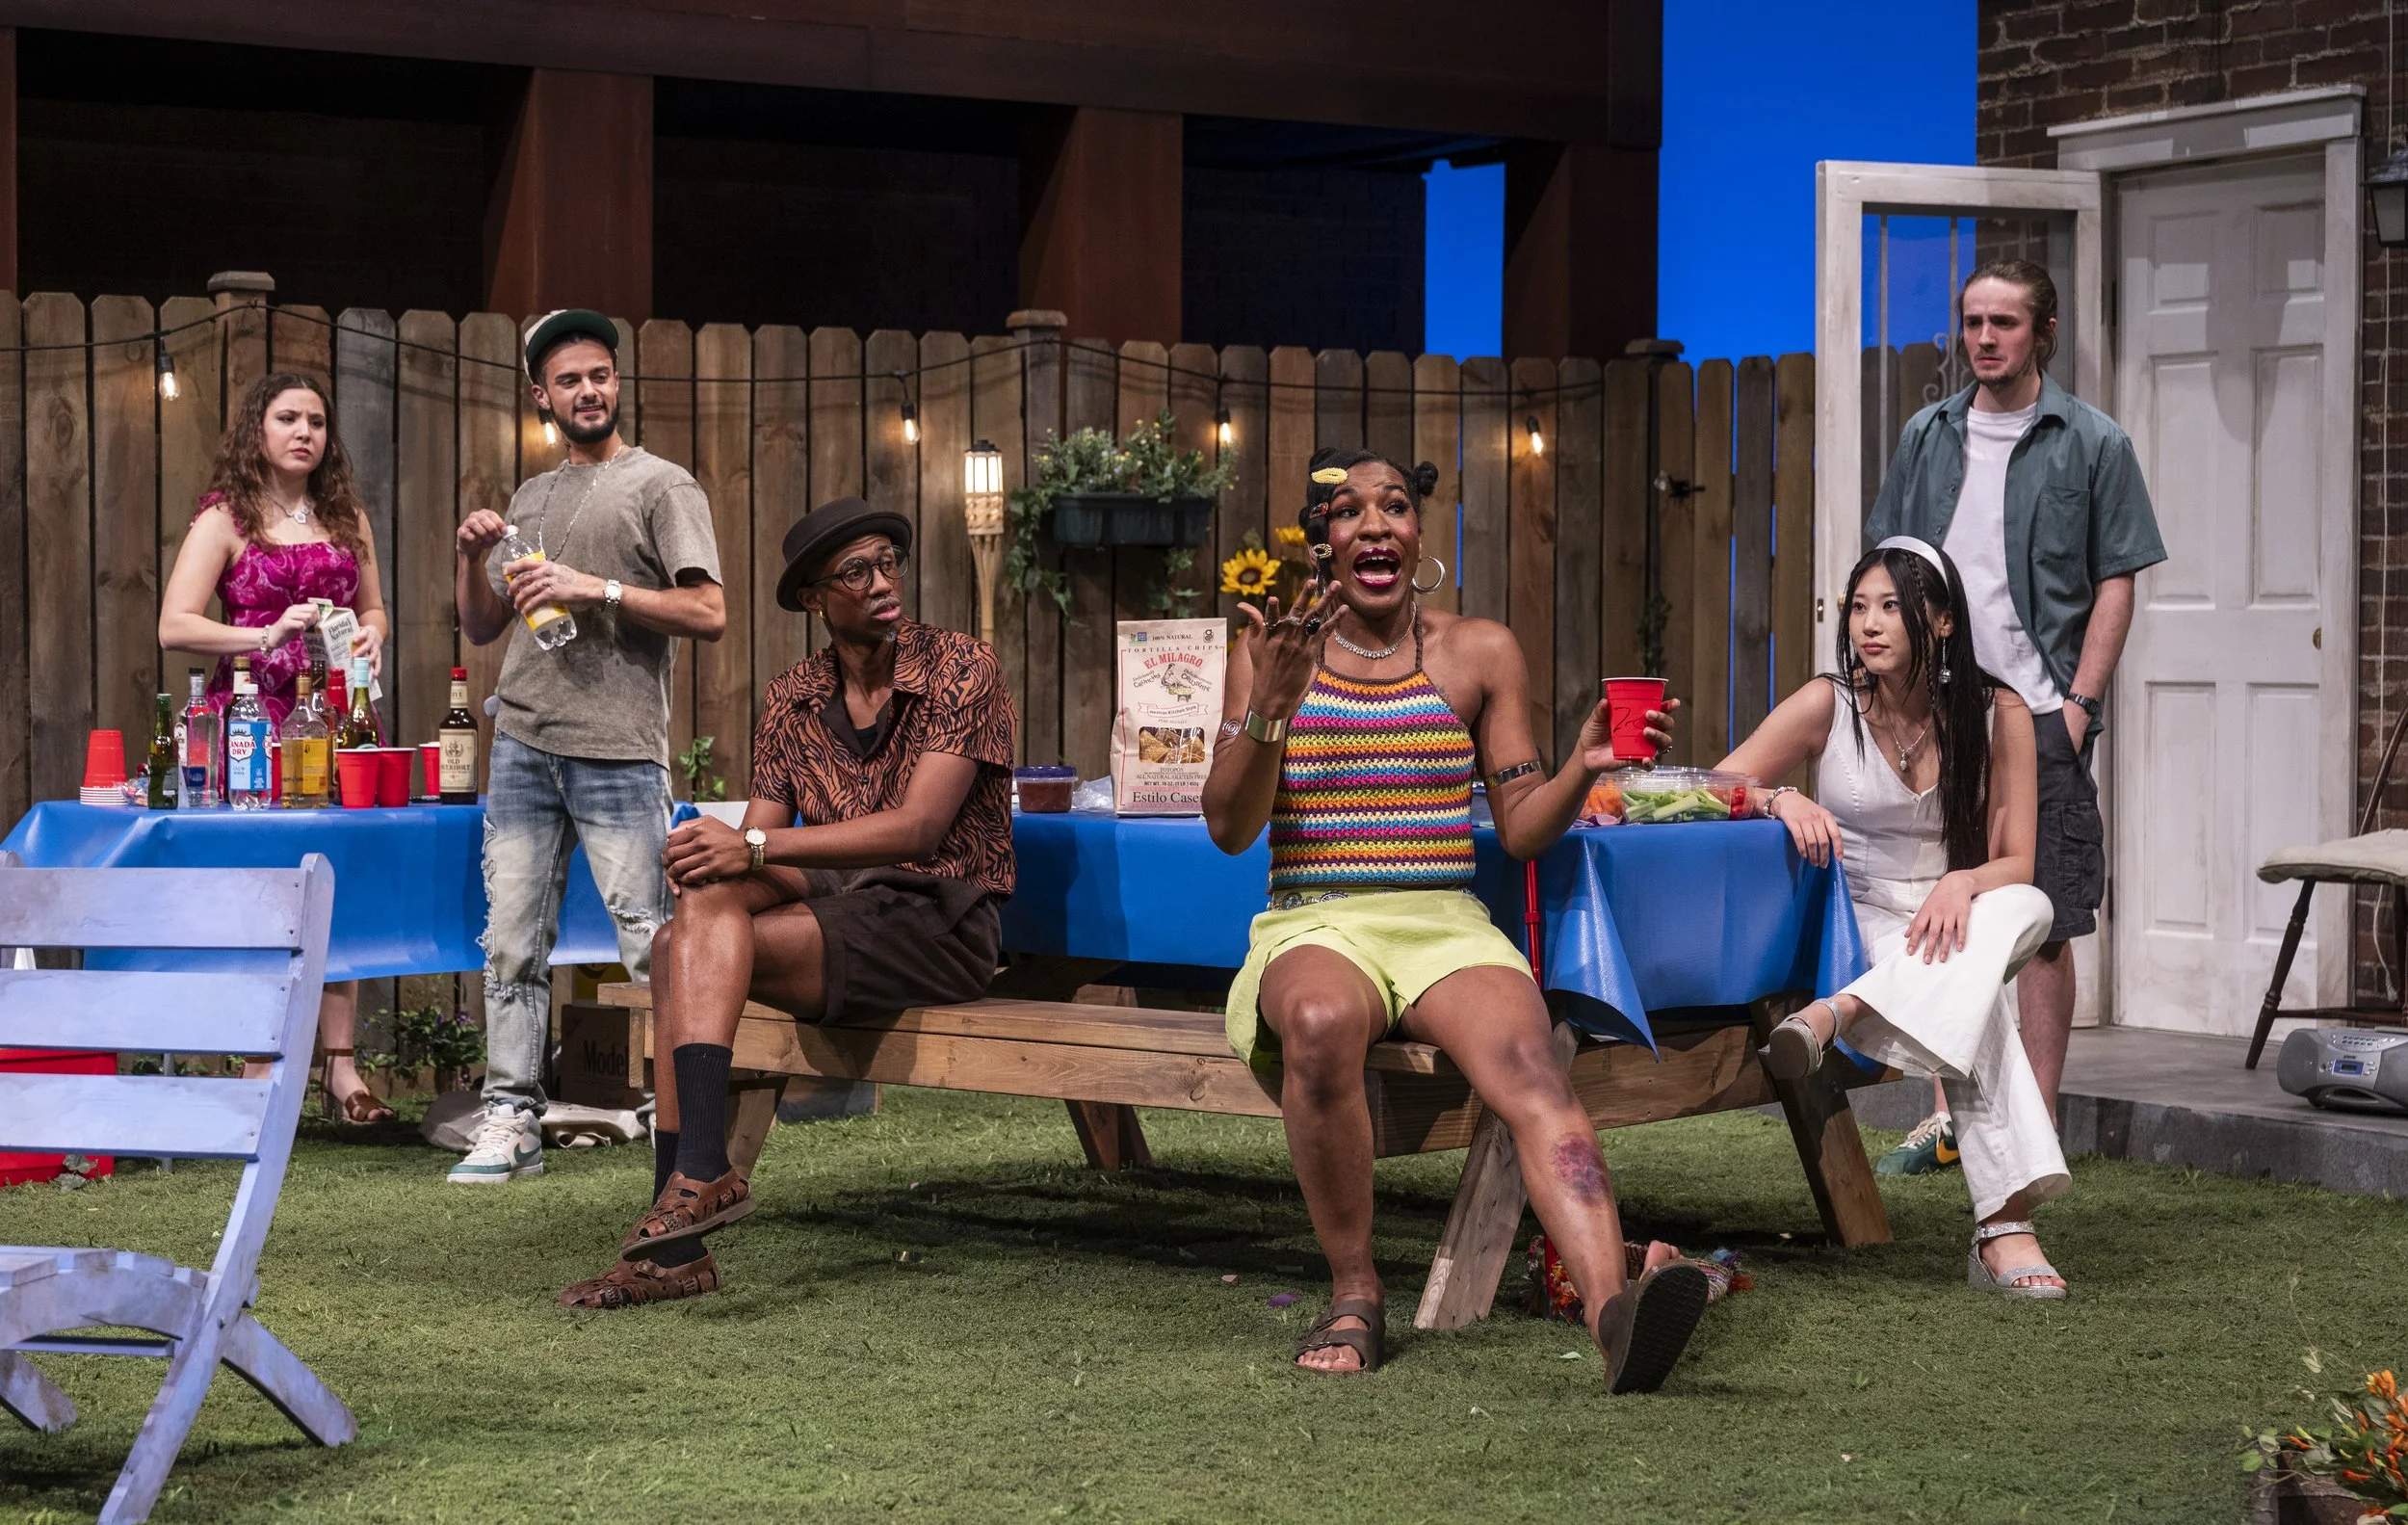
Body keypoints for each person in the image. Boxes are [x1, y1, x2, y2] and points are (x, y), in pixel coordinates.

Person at [1201, 447, 1709, 1391]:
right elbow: (1230, 828)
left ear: (1418, 534)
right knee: (1317, 1022)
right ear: (1326, 541)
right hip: (1318, 917)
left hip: (1442, 920)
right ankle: (1356, 1291)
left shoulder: (1480, 651)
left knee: (1529, 1062)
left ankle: (1612, 1311)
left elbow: (1519, 826)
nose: (1376, 524)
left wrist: (1581, 765)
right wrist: (1268, 705)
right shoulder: (1269, 655)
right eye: (1350, 512)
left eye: (1394, 506)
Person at [559, 495, 1017, 1308]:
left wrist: (755, 847)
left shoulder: (960, 668)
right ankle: (691, 1203)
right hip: (839, 904)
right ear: (814, 597)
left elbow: (917, 827)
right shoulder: (794, 694)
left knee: (695, 931)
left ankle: (688, 1210)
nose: (882, 583)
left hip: (939, 914)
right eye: (856, 572)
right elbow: (760, 835)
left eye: (888, 564)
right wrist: (713, 854)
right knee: (685, 924)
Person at [1863, 259, 2165, 1172]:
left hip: (2038, 714)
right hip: (1940, 714)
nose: (1985, 338)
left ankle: (2036, 1122)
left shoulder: (2092, 441)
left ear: (2044, 332)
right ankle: (1956, 1120)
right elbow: (1889, 560)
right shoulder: (1928, 434)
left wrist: (2077, 706)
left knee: (2044, 920)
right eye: (1972, 322)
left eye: (2004, 322)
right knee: (1942, 907)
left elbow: (2118, 582)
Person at [1720, 539, 2071, 1296]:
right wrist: (1783, 797)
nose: (1867, 625)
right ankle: (2004, 1228)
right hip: (1863, 918)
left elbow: (2018, 862)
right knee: (1980, 1004)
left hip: (1962, 911)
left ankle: (1838, 1013)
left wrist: (1962, 882)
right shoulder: (1828, 702)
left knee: (2032, 906)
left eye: (1890, 607)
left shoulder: (1997, 709)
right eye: (1858, 606)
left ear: (1942, 623)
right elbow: (1723, 779)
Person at [452, 309, 726, 1185]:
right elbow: (485, 621)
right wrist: (469, 558)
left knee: (653, 941)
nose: (589, 391)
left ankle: (682, 1117)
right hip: (525, 743)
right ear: (543, 396)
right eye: (569, 380)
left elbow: (709, 611)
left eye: (600, 375)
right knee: (510, 943)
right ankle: (509, 1119)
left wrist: (597, 586)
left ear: (617, 382)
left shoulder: (663, 485)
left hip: (617, 747)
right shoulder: (531, 496)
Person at [158, 371, 394, 1124]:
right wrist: (265, 633)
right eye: (287, 417)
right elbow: (175, 625)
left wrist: (374, 636)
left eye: (317, 421)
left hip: (338, 718)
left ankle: (342, 1069)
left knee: (339, 881)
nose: (304, 432)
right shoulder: (225, 518)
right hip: (254, 726)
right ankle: (261, 1057)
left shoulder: (346, 514)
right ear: (256, 430)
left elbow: (376, 607)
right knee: (266, 889)